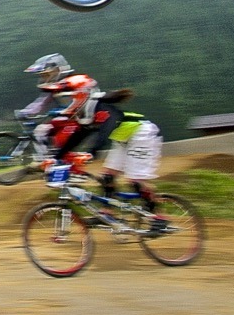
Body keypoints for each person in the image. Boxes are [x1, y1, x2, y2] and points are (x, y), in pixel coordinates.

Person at [20, 53, 167, 230]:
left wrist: (91, 152)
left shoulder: (101, 108)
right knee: (107, 176)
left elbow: (105, 131)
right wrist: (55, 157)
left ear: (81, 96)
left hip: (142, 134)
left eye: (69, 98)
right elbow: (76, 138)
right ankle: (107, 213)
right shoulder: (83, 115)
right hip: (124, 141)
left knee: (135, 180)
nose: (67, 103)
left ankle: (158, 218)